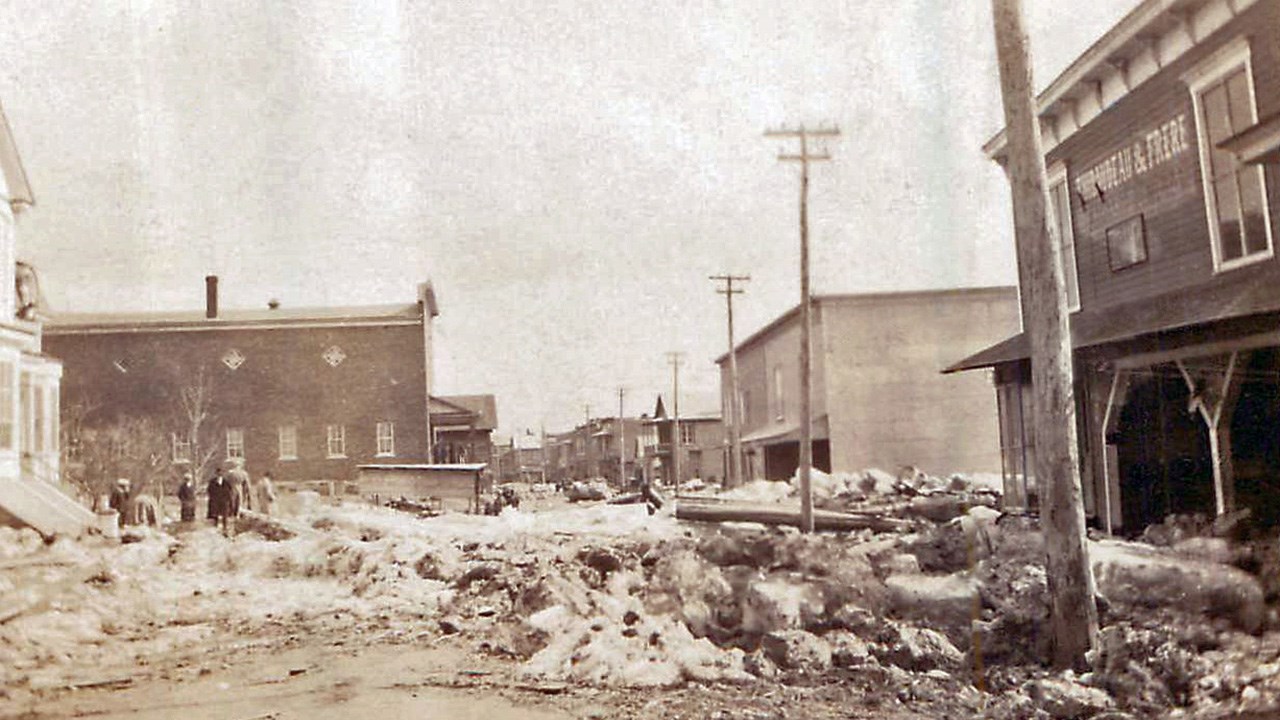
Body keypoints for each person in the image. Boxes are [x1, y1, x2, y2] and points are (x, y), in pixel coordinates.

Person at [206, 467, 233, 535]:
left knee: (225, 514)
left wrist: (228, 499)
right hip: (216, 500)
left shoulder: (226, 482)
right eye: (218, 473)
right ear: (216, 474)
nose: (219, 474)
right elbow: (209, 490)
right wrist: (212, 497)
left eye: (221, 473)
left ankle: (225, 527)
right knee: (215, 514)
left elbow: (229, 491)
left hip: (224, 501)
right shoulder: (212, 482)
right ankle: (215, 526)